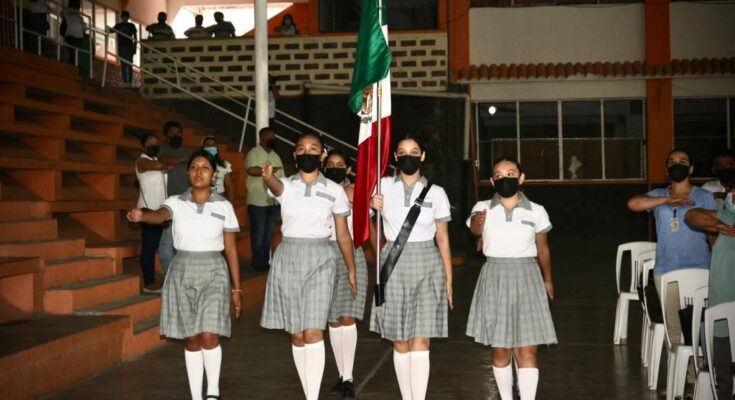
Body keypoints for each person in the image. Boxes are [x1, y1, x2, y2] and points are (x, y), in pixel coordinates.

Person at [127, 150, 242, 400]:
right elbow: (160, 215)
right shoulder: (176, 202)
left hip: (214, 271)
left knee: (209, 334)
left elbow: (231, 249)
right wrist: (143, 215)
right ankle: (195, 396)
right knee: (191, 338)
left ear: (213, 175)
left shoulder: (224, 205)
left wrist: (236, 288)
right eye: (194, 167)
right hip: (183, 270)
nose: (199, 171)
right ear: (188, 173)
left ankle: (212, 392)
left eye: (205, 167)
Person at [260, 133, 357, 400]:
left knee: (314, 332)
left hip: (321, 260)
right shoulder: (287, 185)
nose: (307, 153)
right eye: (301, 149)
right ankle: (308, 393)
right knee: (298, 335)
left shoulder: (335, 191)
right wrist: (268, 176)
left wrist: (350, 268)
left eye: (314, 148)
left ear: (322, 155)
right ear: (294, 155)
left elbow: (344, 235)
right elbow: (276, 187)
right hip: (289, 257)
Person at [369, 136, 453, 400]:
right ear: (394, 156)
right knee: (399, 339)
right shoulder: (381, 187)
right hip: (393, 264)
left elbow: (443, 238)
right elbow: (360, 218)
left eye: (414, 152)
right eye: (403, 152)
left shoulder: (437, 193)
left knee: (421, 339)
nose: (409, 156)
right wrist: (371, 208)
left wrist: (449, 279)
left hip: (428, 264)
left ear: (423, 156)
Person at [467, 157, 556, 400]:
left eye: (510, 173)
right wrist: (477, 225)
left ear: (521, 177)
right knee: (501, 348)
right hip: (494, 278)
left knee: (527, 349)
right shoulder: (482, 207)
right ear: (492, 181)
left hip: (528, 278)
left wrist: (548, 280)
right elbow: (475, 229)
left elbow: (543, 249)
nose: (504, 178)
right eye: (498, 175)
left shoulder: (537, 211)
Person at [627, 149, 718, 344]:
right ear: (667, 169)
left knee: (698, 325)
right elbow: (633, 204)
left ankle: (698, 369)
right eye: (672, 161)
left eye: (683, 161)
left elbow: (713, 233)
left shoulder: (704, 196)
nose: (677, 164)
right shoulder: (658, 195)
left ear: (691, 168)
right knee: (674, 326)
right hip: (666, 270)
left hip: (700, 269)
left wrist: (717, 264)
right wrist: (667, 200)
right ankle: (682, 371)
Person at [685, 172, 735, 400]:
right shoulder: (725, 216)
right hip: (723, 311)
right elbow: (691, 215)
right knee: (723, 375)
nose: (732, 193)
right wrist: (718, 224)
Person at [323, 150, 368, 399]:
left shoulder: (356, 194)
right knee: (332, 319)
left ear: (348, 170)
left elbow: (367, 224)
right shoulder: (319, 192)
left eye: (340, 165)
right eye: (330, 164)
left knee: (348, 316)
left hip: (352, 252)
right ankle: (341, 375)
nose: (335, 168)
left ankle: (348, 376)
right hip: (325, 254)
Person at [244, 127, 283, 272]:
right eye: (270, 136)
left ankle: (264, 261)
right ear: (262, 138)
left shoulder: (275, 156)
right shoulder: (254, 153)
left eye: (274, 136)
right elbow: (251, 170)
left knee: (268, 233)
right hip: (258, 200)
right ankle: (258, 262)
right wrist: (267, 172)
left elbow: (282, 178)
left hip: (273, 201)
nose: (273, 139)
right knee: (258, 232)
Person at [134, 133, 169, 292]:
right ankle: (149, 283)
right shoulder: (141, 161)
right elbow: (161, 166)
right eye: (150, 143)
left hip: (159, 210)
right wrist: (168, 163)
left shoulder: (156, 160)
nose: (154, 145)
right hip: (147, 209)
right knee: (149, 247)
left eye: (156, 142)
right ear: (143, 146)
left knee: (155, 246)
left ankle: (157, 279)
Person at [157, 121, 192, 276]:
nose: (176, 135)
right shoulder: (162, 149)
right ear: (166, 135)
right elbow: (163, 160)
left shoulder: (188, 151)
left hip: (188, 203)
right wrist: (183, 160)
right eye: (172, 133)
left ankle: (180, 276)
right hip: (169, 205)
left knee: (184, 242)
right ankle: (171, 276)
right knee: (166, 245)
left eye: (179, 132)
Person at [111, 11, 137, 87]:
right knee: (123, 64)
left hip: (129, 47)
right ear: (121, 17)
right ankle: (125, 82)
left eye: (126, 17)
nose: (125, 18)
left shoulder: (131, 25)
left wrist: (134, 48)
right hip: (122, 47)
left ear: (128, 18)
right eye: (124, 17)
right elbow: (111, 30)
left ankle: (129, 82)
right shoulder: (118, 25)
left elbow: (135, 37)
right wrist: (107, 30)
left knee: (129, 65)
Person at [60, 0, 85, 65]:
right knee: (74, 53)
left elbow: (63, 27)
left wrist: (62, 35)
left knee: (71, 53)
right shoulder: (79, 17)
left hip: (69, 35)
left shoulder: (66, 13)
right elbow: (83, 28)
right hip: (79, 37)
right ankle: (73, 65)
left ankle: (70, 65)